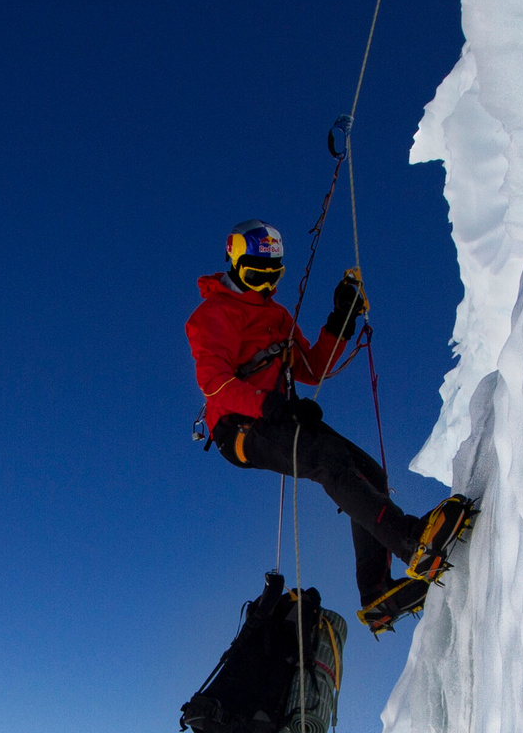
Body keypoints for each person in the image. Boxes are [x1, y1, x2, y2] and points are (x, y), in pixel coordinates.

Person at [187, 220, 473, 627]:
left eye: (274, 276)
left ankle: (377, 596)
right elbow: (214, 383)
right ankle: (413, 543)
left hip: (278, 417)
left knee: (368, 471)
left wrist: (341, 317)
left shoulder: (278, 316)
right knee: (328, 459)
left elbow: (312, 368)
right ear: (234, 265)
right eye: (256, 275)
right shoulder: (211, 314)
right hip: (238, 427)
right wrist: (271, 406)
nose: (265, 286)